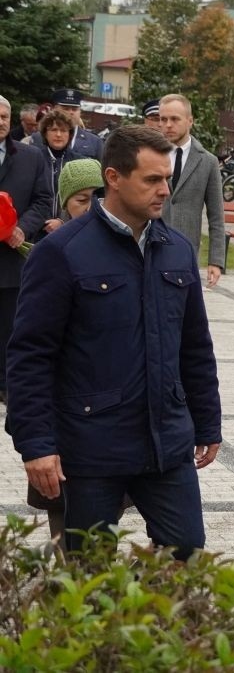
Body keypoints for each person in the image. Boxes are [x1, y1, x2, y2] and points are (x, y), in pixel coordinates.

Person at [6, 125, 222, 560]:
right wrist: (37, 444)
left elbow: (195, 346)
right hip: (91, 448)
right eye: (152, 180)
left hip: (167, 444)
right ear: (114, 178)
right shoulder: (62, 252)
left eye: (167, 179)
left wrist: (207, 422)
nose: (165, 190)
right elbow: (31, 355)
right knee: (90, 572)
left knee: (187, 554)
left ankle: (161, 630)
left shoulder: (177, 249)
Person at [21, 158, 106, 539]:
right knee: (64, 510)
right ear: (65, 204)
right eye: (81, 200)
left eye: (97, 198)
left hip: (104, 413)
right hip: (63, 409)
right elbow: (30, 349)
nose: (90, 208)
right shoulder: (51, 253)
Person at [0, 95, 53, 403]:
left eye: (5, 116)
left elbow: (43, 199)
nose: (1, 121)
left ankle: (8, 383)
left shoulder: (31, 157)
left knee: (11, 325)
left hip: (12, 259)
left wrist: (22, 227)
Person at [158, 94, 225, 287]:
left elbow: (216, 216)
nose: (168, 125)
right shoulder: (151, 155)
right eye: (163, 119)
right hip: (151, 247)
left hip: (186, 251)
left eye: (175, 119)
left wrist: (215, 261)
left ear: (190, 121)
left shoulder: (208, 162)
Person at [35, 109, 85, 240]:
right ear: (45, 133)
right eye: (53, 130)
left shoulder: (79, 162)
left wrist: (62, 221)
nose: (58, 134)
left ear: (70, 134)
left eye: (63, 131)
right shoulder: (33, 158)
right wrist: (41, 222)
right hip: (34, 231)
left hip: (69, 231)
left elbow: (83, 199)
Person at [28, 89, 103, 160]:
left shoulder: (94, 141)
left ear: (80, 111)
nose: (71, 112)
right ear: (55, 109)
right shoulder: (38, 137)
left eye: (74, 109)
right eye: (66, 108)